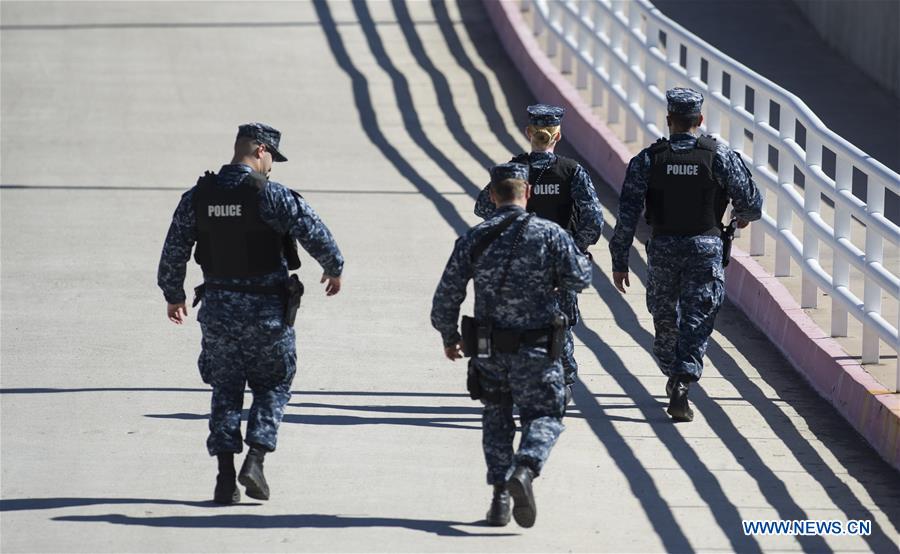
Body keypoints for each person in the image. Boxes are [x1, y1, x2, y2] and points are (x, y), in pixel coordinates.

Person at [158, 122, 344, 504]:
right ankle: (256, 459)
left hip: (219, 310)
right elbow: (316, 233)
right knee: (273, 385)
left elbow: (174, 249)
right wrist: (333, 266)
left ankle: (224, 478)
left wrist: (173, 294)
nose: (272, 165)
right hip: (267, 312)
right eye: (272, 156)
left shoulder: (198, 196)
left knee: (225, 390)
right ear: (260, 150)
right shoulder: (271, 195)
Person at [432, 163, 592, 527]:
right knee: (545, 415)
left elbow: (446, 296)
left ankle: (500, 498)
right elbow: (580, 278)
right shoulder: (549, 235)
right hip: (537, 348)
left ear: (492, 195)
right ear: (528, 193)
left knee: (497, 416)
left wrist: (449, 337)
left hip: (489, 349)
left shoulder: (475, 237)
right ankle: (526, 468)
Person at [608, 88, 762, 422]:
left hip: (663, 248)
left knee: (664, 322)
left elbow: (627, 215)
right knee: (697, 318)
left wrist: (620, 259)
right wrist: (741, 217)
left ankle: (673, 371)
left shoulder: (649, 159)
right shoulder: (718, 155)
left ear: (669, 120)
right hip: (705, 248)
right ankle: (682, 379)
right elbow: (752, 203)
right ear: (700, 120)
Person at [474, 104, 603, 403]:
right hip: (559, 261)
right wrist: (576, 247)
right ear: (559, 135)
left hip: (520, 261)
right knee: (560, 322)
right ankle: (564, 380)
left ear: (529, 133)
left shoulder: (514, 171)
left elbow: (483, 207)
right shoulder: (571, 171)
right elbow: (593, 218)